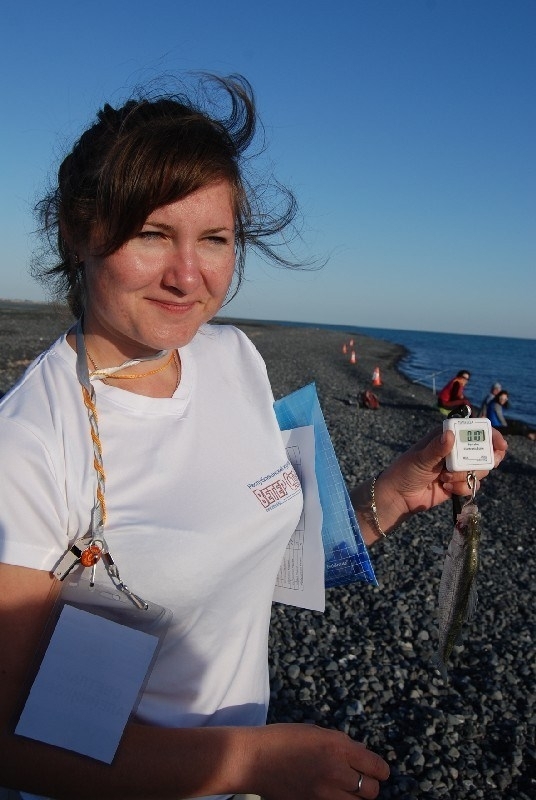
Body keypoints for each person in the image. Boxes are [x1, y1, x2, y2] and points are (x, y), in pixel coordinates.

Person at [0, 74, 507, 800]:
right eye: (152, 234)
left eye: (214, 239)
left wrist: (392, 495)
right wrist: (253, 763)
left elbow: (260, 556)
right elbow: (12, 742)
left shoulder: (232, 356)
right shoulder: (27, 445)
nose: (188, 276)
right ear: (79, 233)